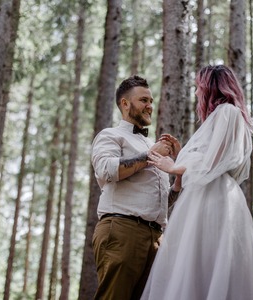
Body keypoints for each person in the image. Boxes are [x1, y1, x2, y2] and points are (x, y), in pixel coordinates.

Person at [142, 65, 253, 300]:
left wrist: (174, 167)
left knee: (203, 259)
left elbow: (216, 160)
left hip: (213, 194)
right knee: (201, 261)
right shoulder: (226, 116)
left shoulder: (227, 111)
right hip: (212, 193)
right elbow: (210, 156)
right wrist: (182, 157)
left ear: (211, 88)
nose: (196, 93)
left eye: (198, 87)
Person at [91, 75, 182, 300]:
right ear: (125, 103)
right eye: (143, 100)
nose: (150, 106)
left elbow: (160, 201)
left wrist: (178, 176)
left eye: (151, 101)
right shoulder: (110, 135)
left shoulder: (152, 146)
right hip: (122, 230)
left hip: (156, 238)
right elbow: (106, 169)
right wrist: (153, 154)